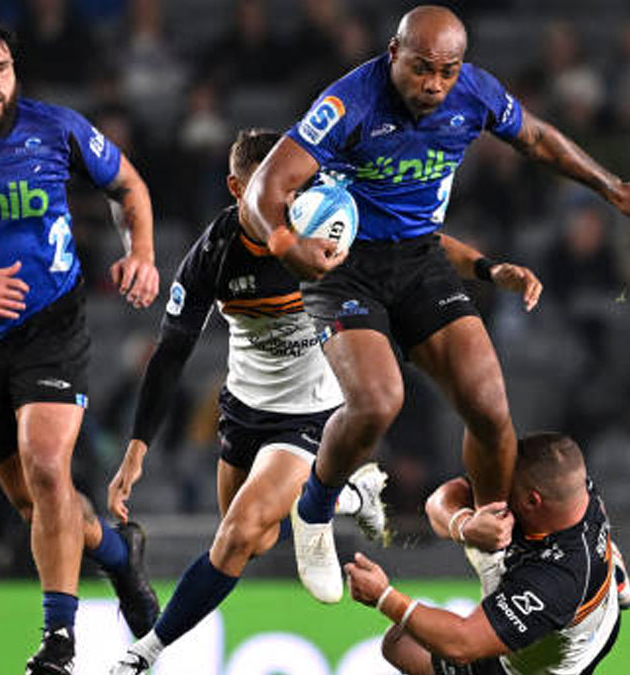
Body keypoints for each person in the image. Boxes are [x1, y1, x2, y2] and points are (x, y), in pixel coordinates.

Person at [241, 5, 630, 604]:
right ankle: (314, 511)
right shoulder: (349, 103)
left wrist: (613, 188)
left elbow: (536, 138)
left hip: (420, 259)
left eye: (446, 71)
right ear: (393, 54)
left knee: (491, 409)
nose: (434, 84)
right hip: (345, 268)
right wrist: (286, 243)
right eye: (421, 68)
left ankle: (495, 551)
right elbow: (266, 187)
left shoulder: (476, 93)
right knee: (378, 402)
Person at [105, 128, 545, 674]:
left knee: (237, 534)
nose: (284, 202)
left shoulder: (332, 217)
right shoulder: (215, 253)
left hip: (312, 415)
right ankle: (347, 496)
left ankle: (144, 652)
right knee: (256, 540)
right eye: (268, 191)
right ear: (238, 190)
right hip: (244, 409)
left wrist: (485, 268)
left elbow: (419, 247)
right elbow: (171, 352)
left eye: (291, 188)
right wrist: (136, 451)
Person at [0, 12, 161, 674]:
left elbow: (128, 185)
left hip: (51, 322)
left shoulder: (55, 127)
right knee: (34, 503)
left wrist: (140, 251)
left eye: (1, 68)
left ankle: (60, 639)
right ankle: (118, 555)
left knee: (50, 467)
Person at [344, 432, 621, 675]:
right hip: (595, 610)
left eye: (508, 490)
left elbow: (461, 644)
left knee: (399, 644)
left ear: (532, 500)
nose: (500, 494)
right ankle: (614, 576)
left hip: (539, 668)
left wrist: (383, 597)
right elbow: (438, 502)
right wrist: (463, 525)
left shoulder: (558, 580)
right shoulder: (570, 487)